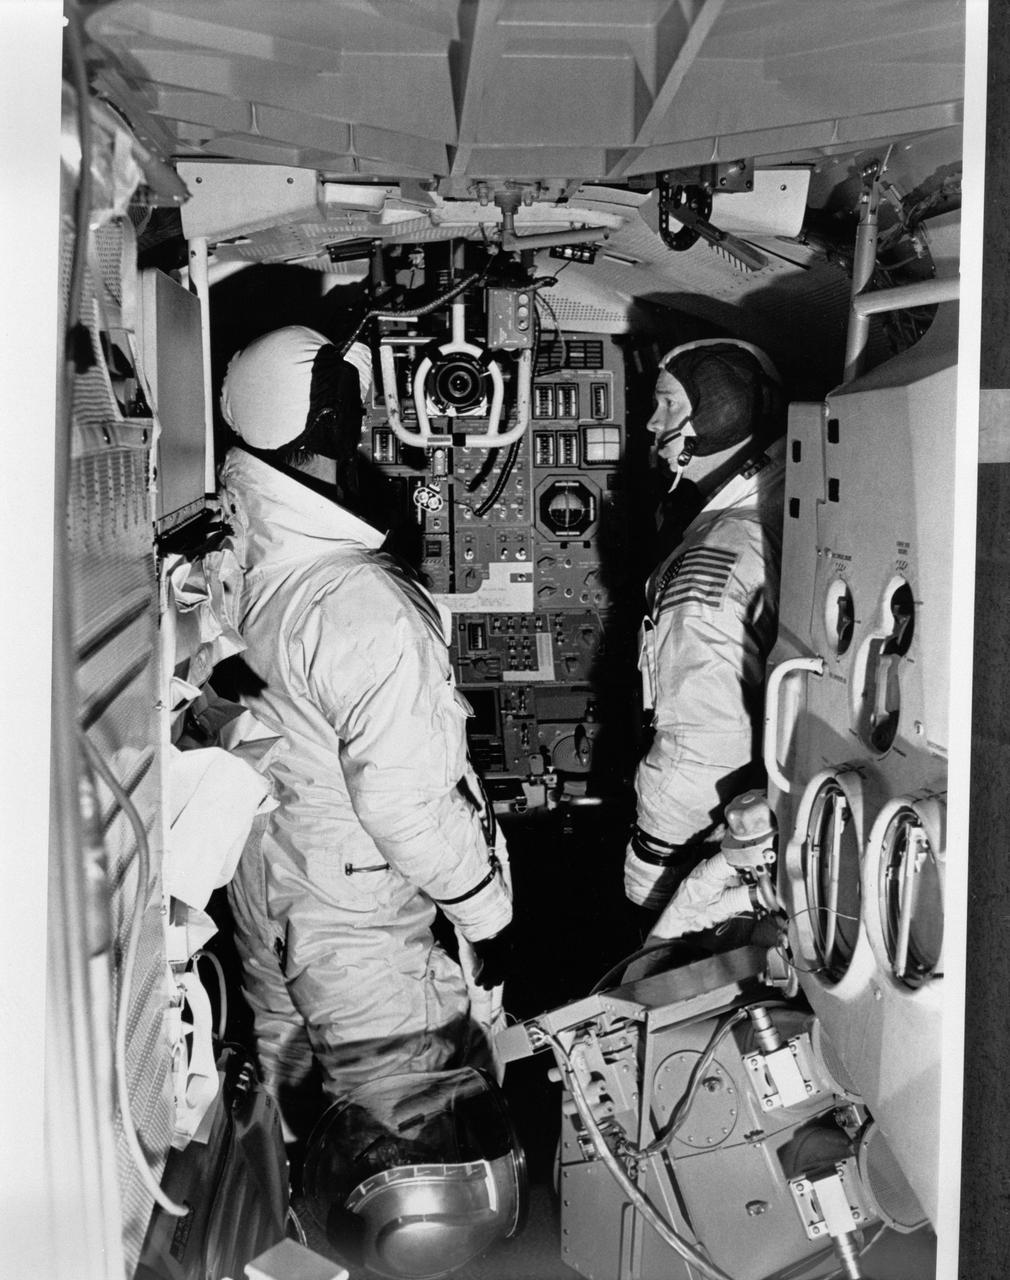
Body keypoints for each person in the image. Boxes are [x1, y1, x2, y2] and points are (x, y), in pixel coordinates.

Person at [216, 325, 515, 1143]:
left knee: (293, 1112)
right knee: (419, 1139)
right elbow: (405, 799)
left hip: (268, 889)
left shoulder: (240, 560)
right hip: (357, 923)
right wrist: (490, 921)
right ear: (330, 423)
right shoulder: (362, 601)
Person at [624, 339, 787, 919]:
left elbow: (700, 739)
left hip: (693, 823)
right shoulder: (765, 506)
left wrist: (652, 846)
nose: (651, 421)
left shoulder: (715, 557)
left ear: (720, 413)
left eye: (667, 404)